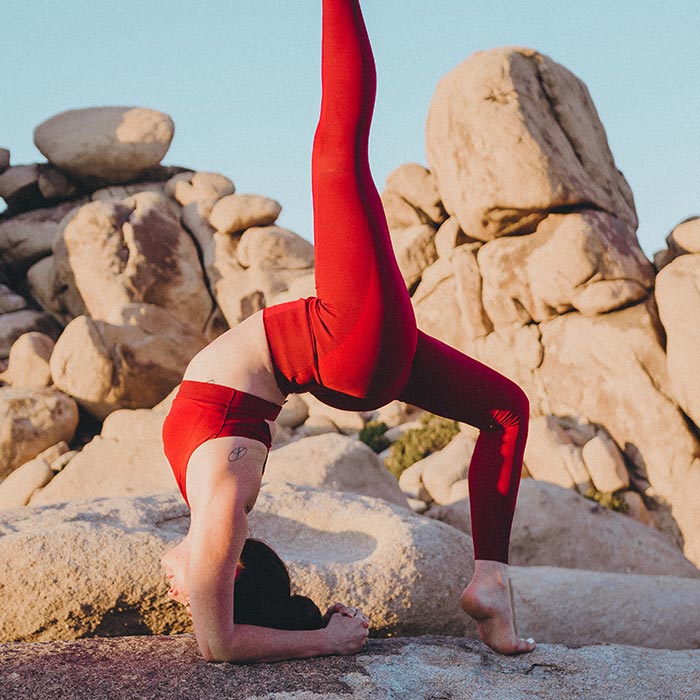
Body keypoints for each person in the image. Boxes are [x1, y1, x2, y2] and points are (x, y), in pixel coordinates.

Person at [161, 0, 535, 663]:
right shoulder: (222, 499)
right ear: (231, 571)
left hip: (342, 348)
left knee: (507, 411)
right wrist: (321, 640)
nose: (178, 590)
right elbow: (219, 644)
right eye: (205, 583)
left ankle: (491, 585)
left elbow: (213, 609)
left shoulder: (206, 510)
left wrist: (205, 574)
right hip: (341, 341)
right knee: (339, 143)